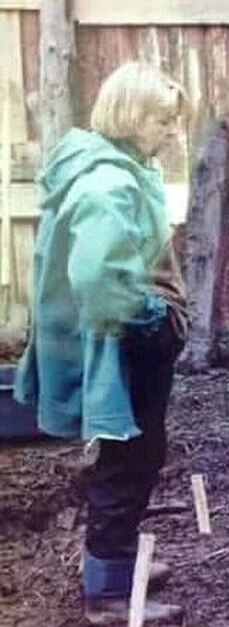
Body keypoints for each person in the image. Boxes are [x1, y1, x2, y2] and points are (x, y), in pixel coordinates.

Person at [14, 62, 189, 624]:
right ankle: (110, 595)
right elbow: (94, 278)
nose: (171, 132)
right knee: (130, 458)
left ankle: (109, 563)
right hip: (128, 348)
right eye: (163, 121)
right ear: (133, 117)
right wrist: (152, 318)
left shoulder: (111, 166)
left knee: (134, 453)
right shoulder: (108, 182)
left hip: (125, 344)